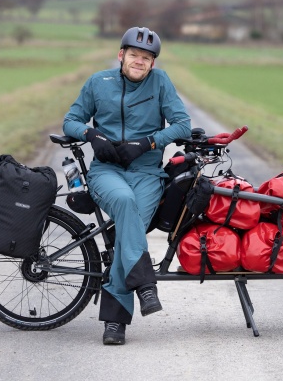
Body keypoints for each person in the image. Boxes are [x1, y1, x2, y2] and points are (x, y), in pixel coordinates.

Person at [63, 26, 191, 345]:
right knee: (123, 202)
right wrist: (92, 135)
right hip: (107, 171)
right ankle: (144, 284)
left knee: (126, 232)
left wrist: (148, 142)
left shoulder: (161, 83)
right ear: (121, 55)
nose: (140, 61)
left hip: (147, 173)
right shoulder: (98, 82)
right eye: (134, 55)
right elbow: (71, 121)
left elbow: (182, 124)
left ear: (153, 63)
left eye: (146, 58)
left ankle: (115, 322)